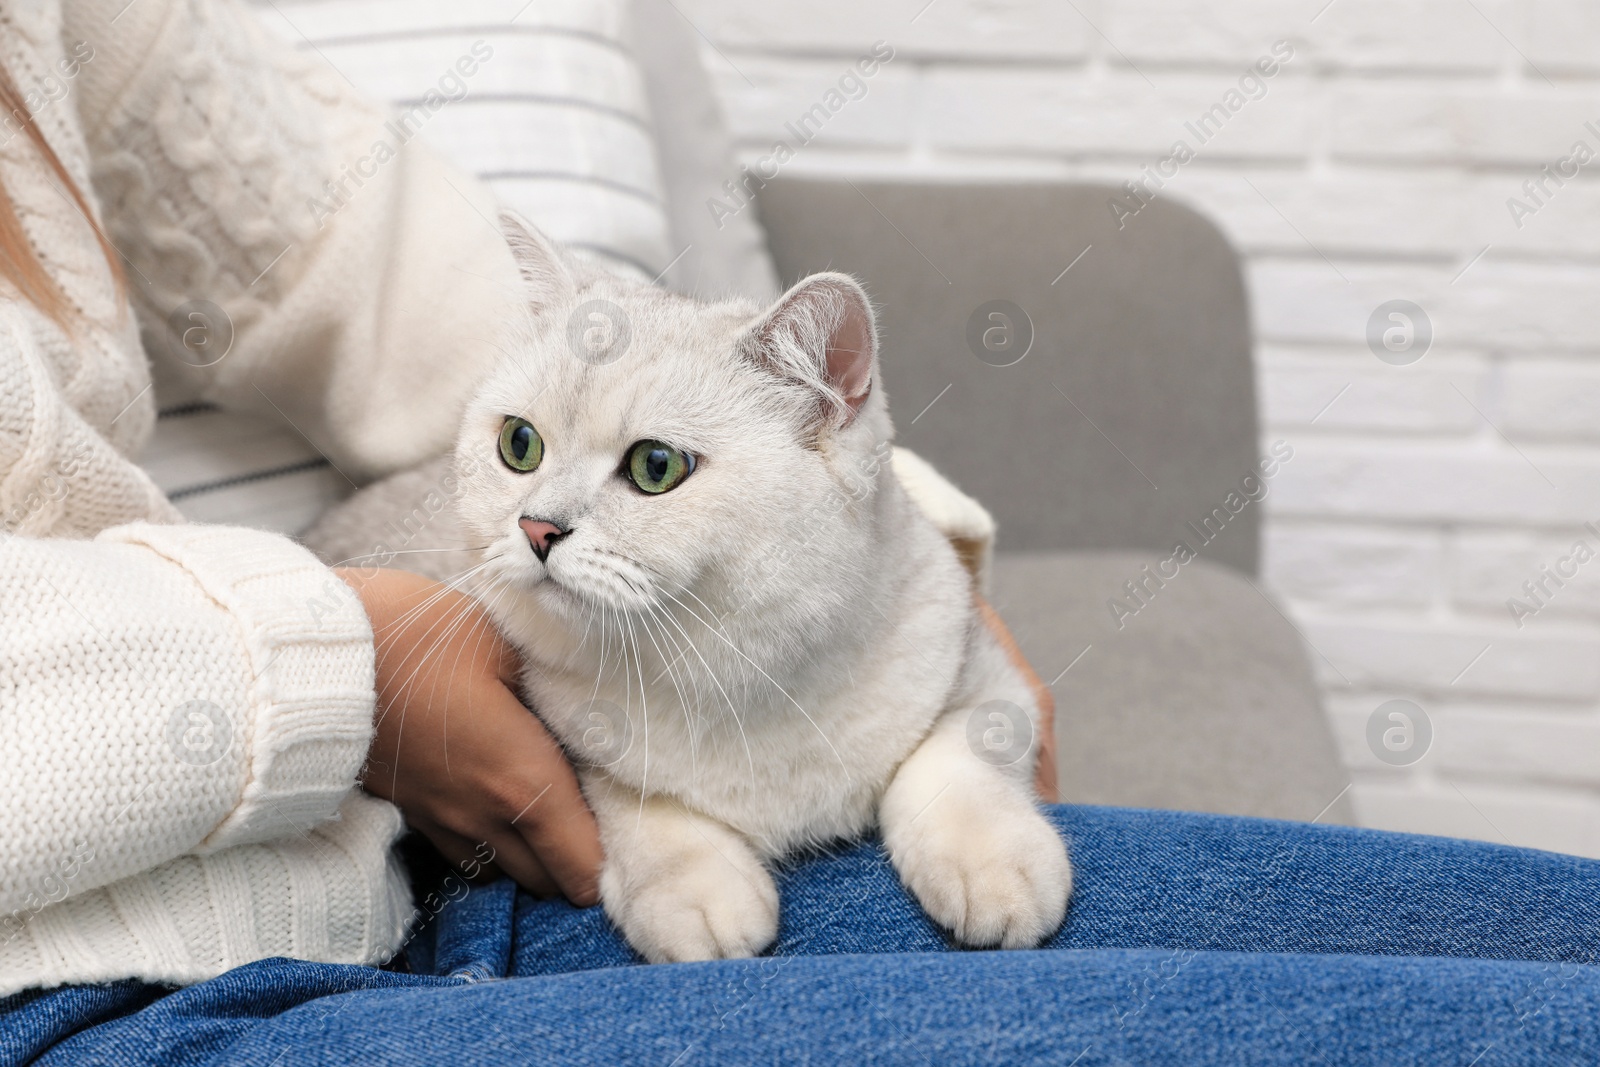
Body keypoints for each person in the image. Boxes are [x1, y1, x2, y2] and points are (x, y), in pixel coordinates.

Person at [1, 0, 1598, 1063]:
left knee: (1552, 949)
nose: (545, 520)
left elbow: (417, 283)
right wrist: (341, 660)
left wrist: (887, 538)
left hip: (354, 865)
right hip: (98, 983)